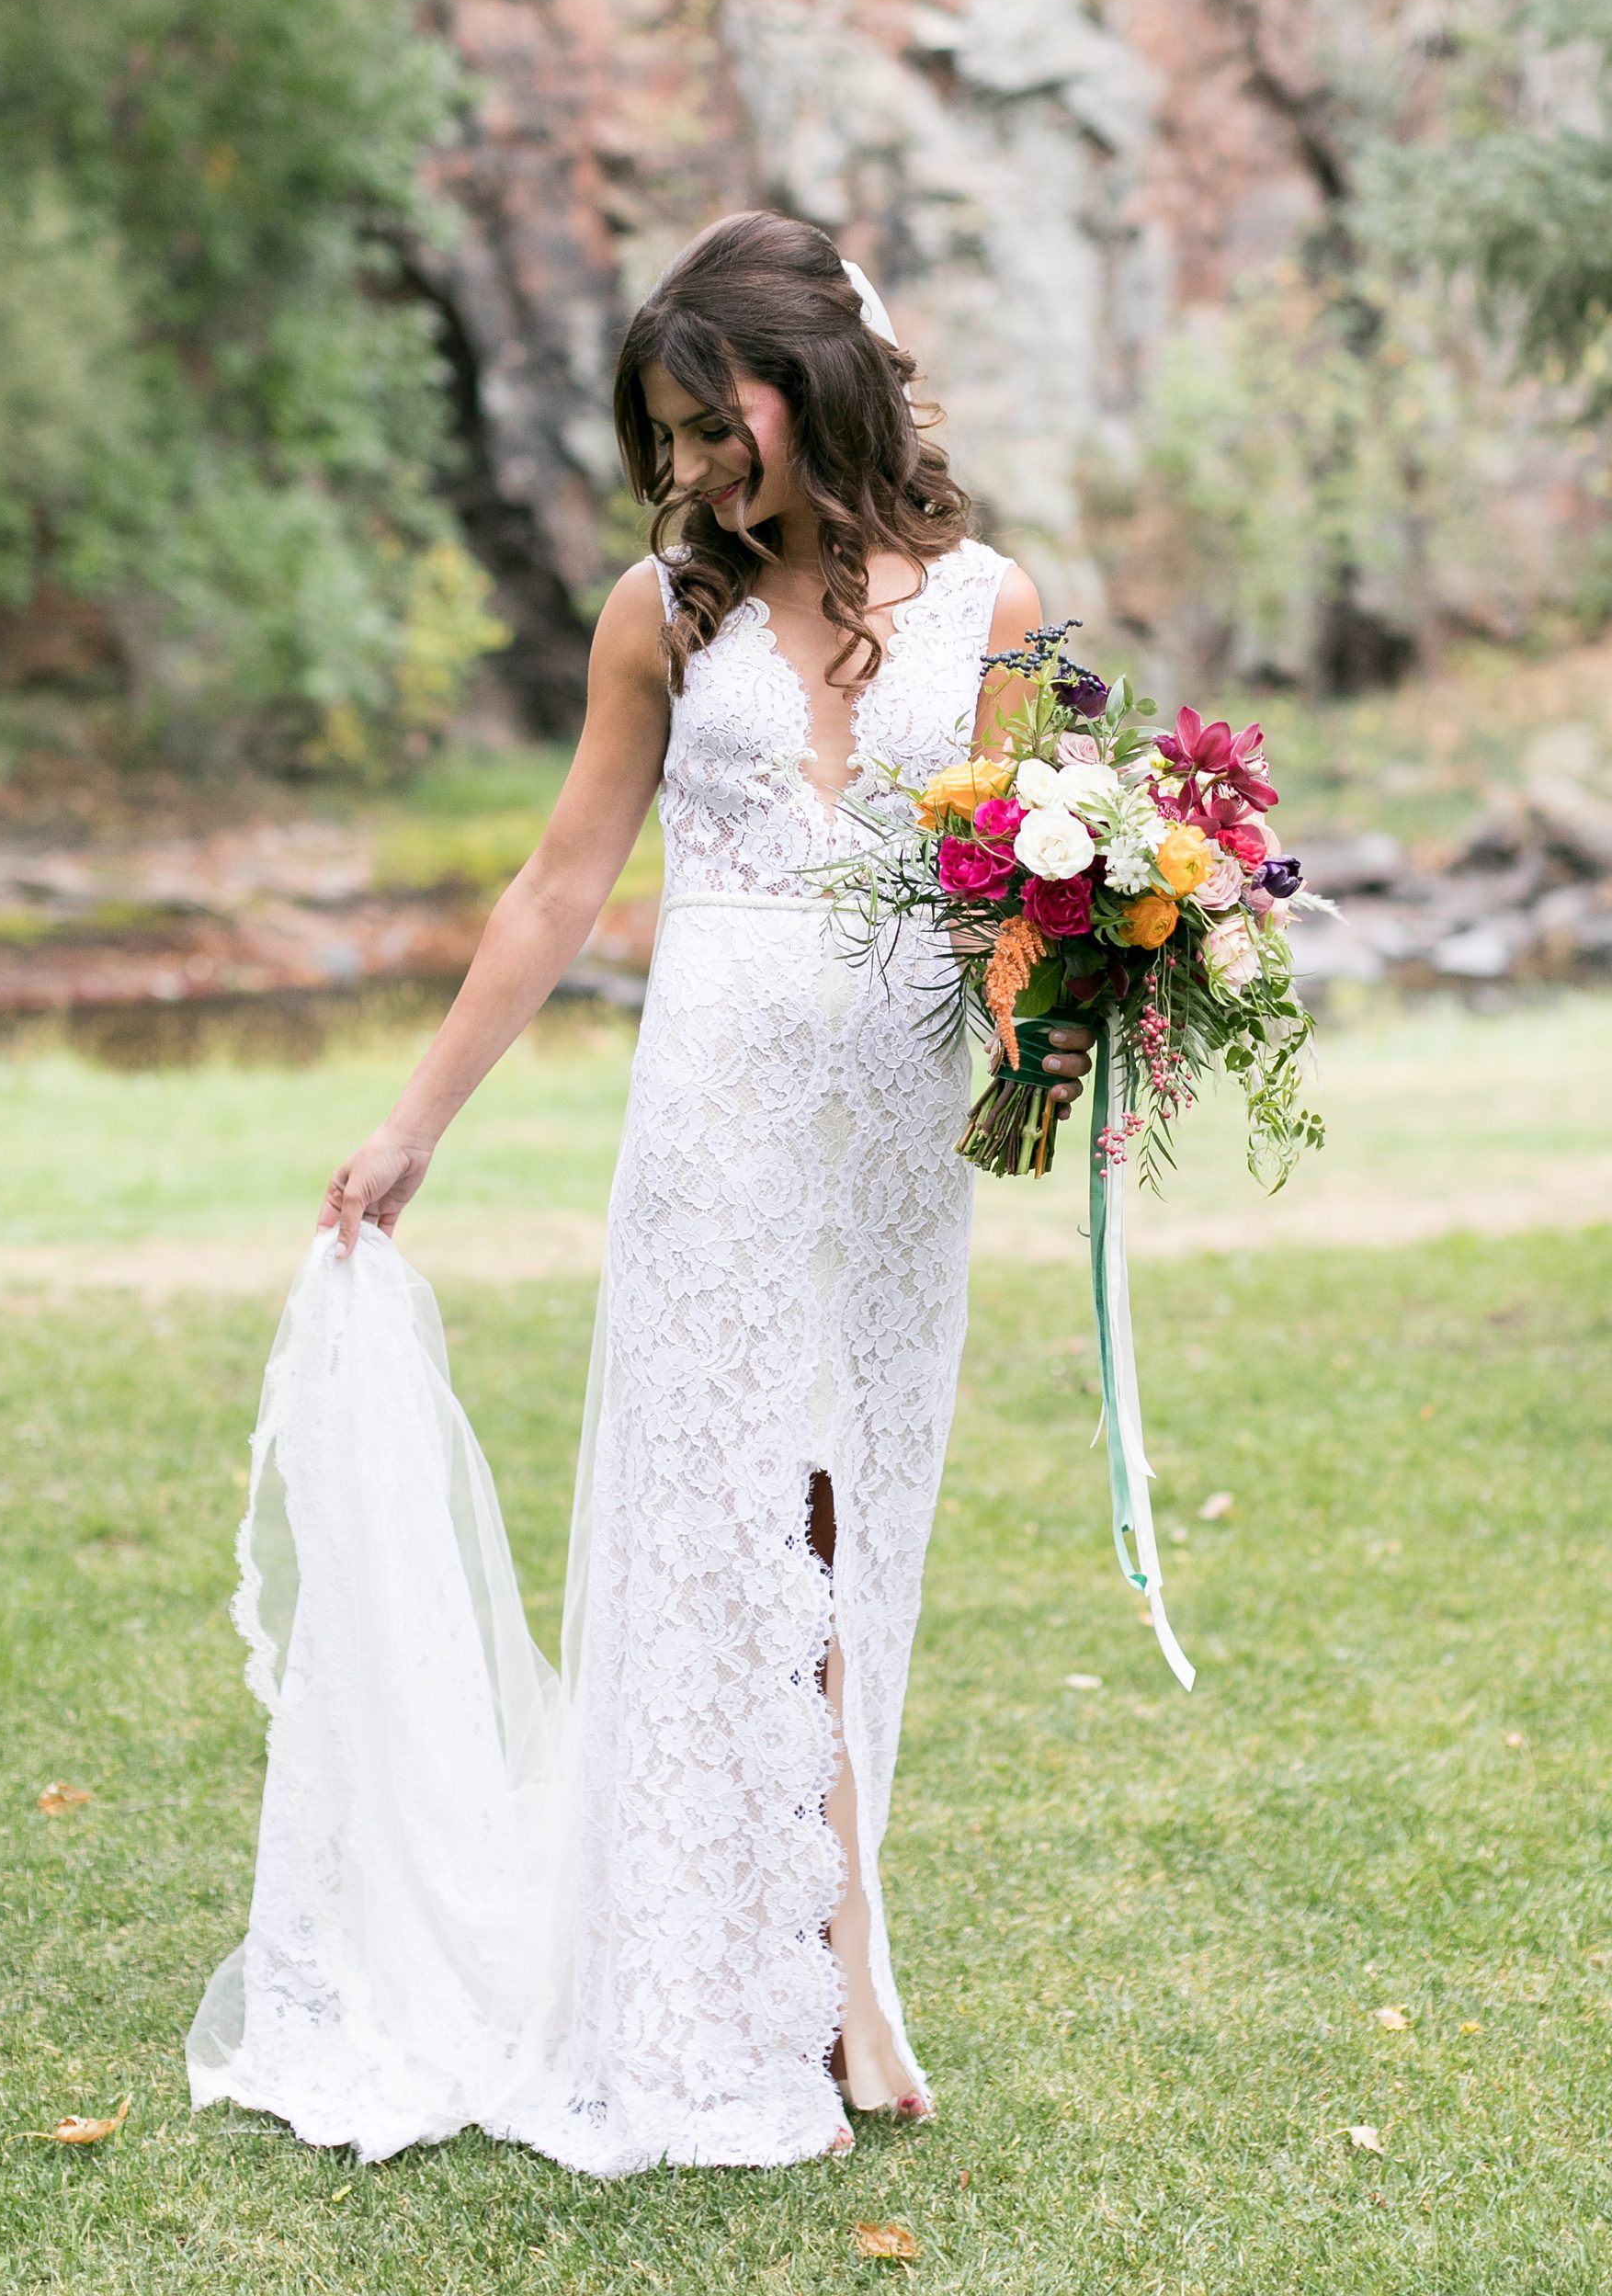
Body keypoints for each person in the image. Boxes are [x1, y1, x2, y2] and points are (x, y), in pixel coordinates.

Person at [187, 209, 1094, 2174]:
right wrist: (419, 1117)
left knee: (858, 1524)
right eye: (667, 438)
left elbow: (1030, 877)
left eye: (714, 421)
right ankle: (820, 1981)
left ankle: (833, 1938)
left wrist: (1082, 1018)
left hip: (888, 1151)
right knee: (732, 1530)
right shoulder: (660, 614)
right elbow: (557, 884)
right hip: (716, 1128)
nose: (691, 469)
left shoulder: (996, 606)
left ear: (813, 378)